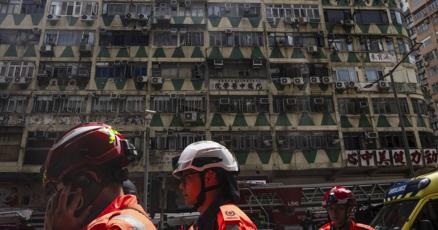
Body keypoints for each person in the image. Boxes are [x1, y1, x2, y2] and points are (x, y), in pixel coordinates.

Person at [42, 122, 156, 230]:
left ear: (83, 181)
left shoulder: (110, 226)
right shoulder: (132, 217)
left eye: (58, 190)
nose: (54, 204)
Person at [172, 141, 257, 230]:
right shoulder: (200, 225)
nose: (181, 186)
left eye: (185, 178)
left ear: (209, 177)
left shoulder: (230, 224)